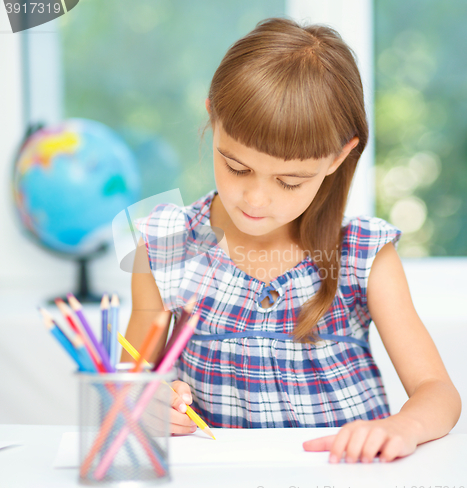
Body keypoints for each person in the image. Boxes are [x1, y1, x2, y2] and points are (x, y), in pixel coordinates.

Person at [123, 18, 461, 463]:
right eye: (236, 167)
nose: (256, 199)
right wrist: (145, 403)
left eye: (289, 181)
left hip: (348, 479)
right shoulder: (167, 245)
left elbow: (438, 392)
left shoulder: (363, 255)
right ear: (212, 116)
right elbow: (130, 383)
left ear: (339, 156)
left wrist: (405, 426)